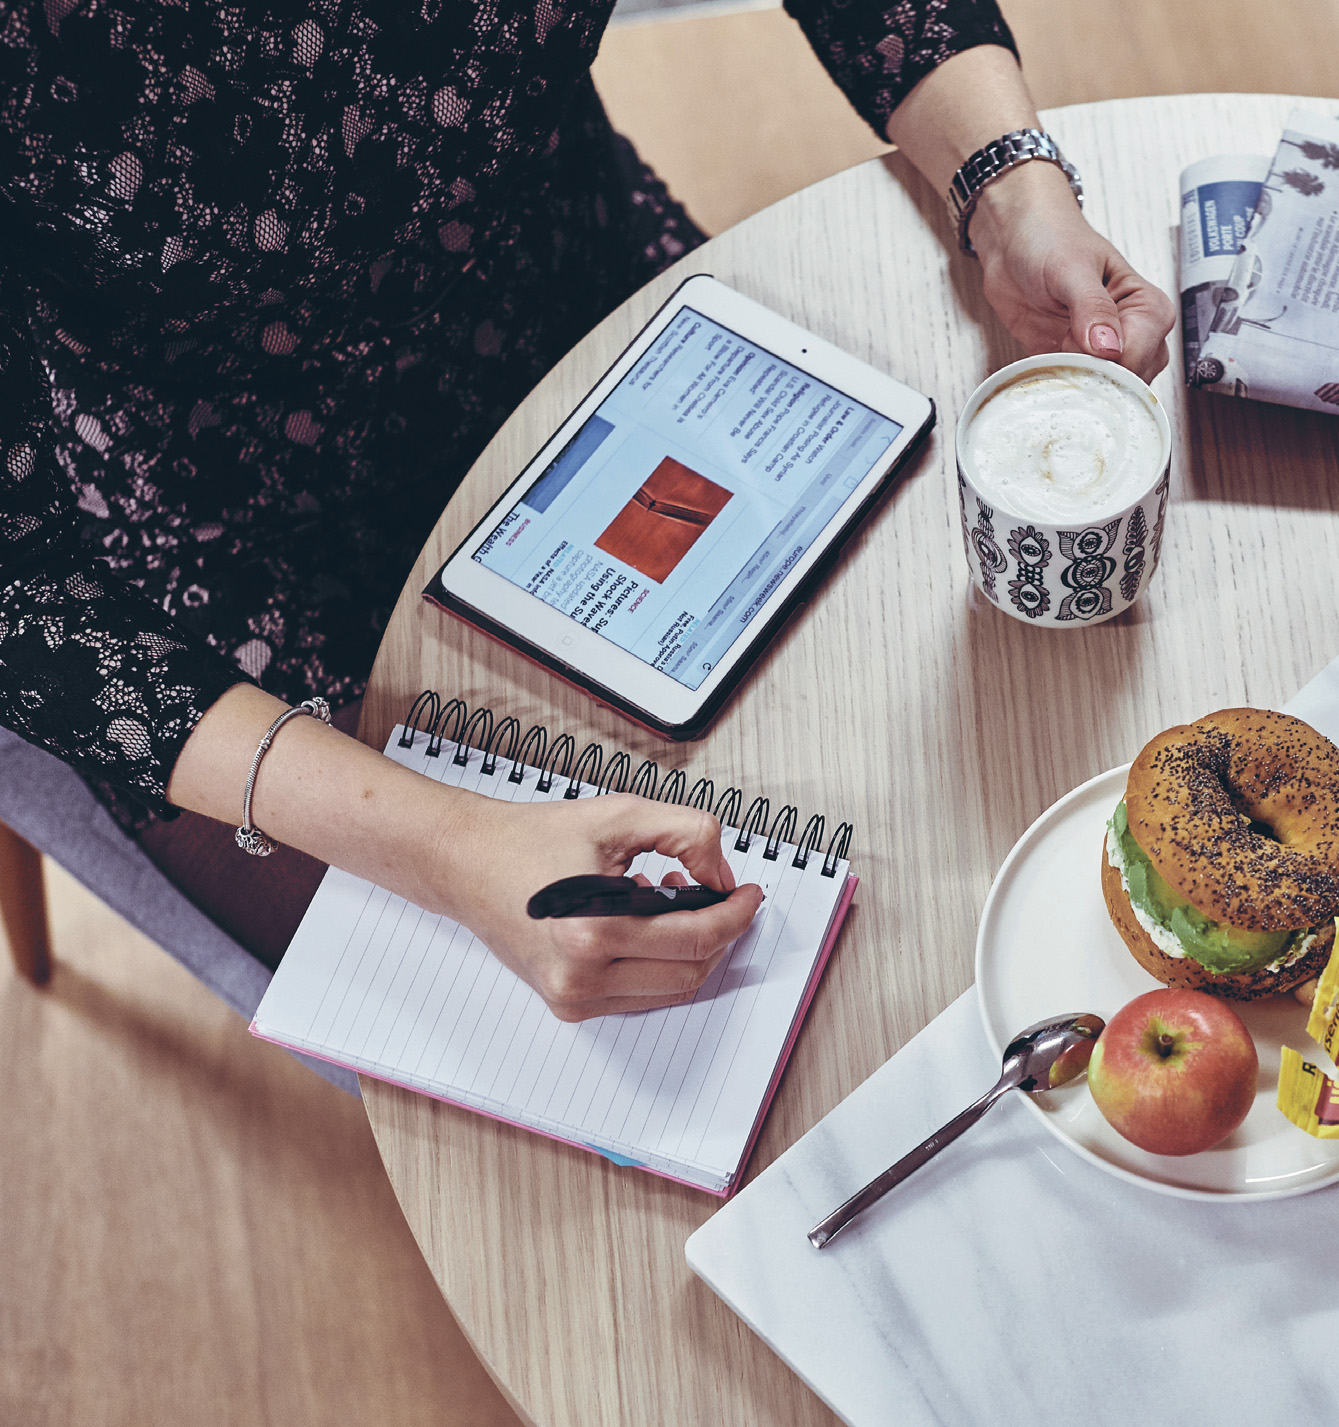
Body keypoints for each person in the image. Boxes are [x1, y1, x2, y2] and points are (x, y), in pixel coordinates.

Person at [0, 0, 1175, 1023]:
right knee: (645, 1028)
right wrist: (451, 847)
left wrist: (1008, 185)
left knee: (944, 828)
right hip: (235, 578)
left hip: (599, 331)